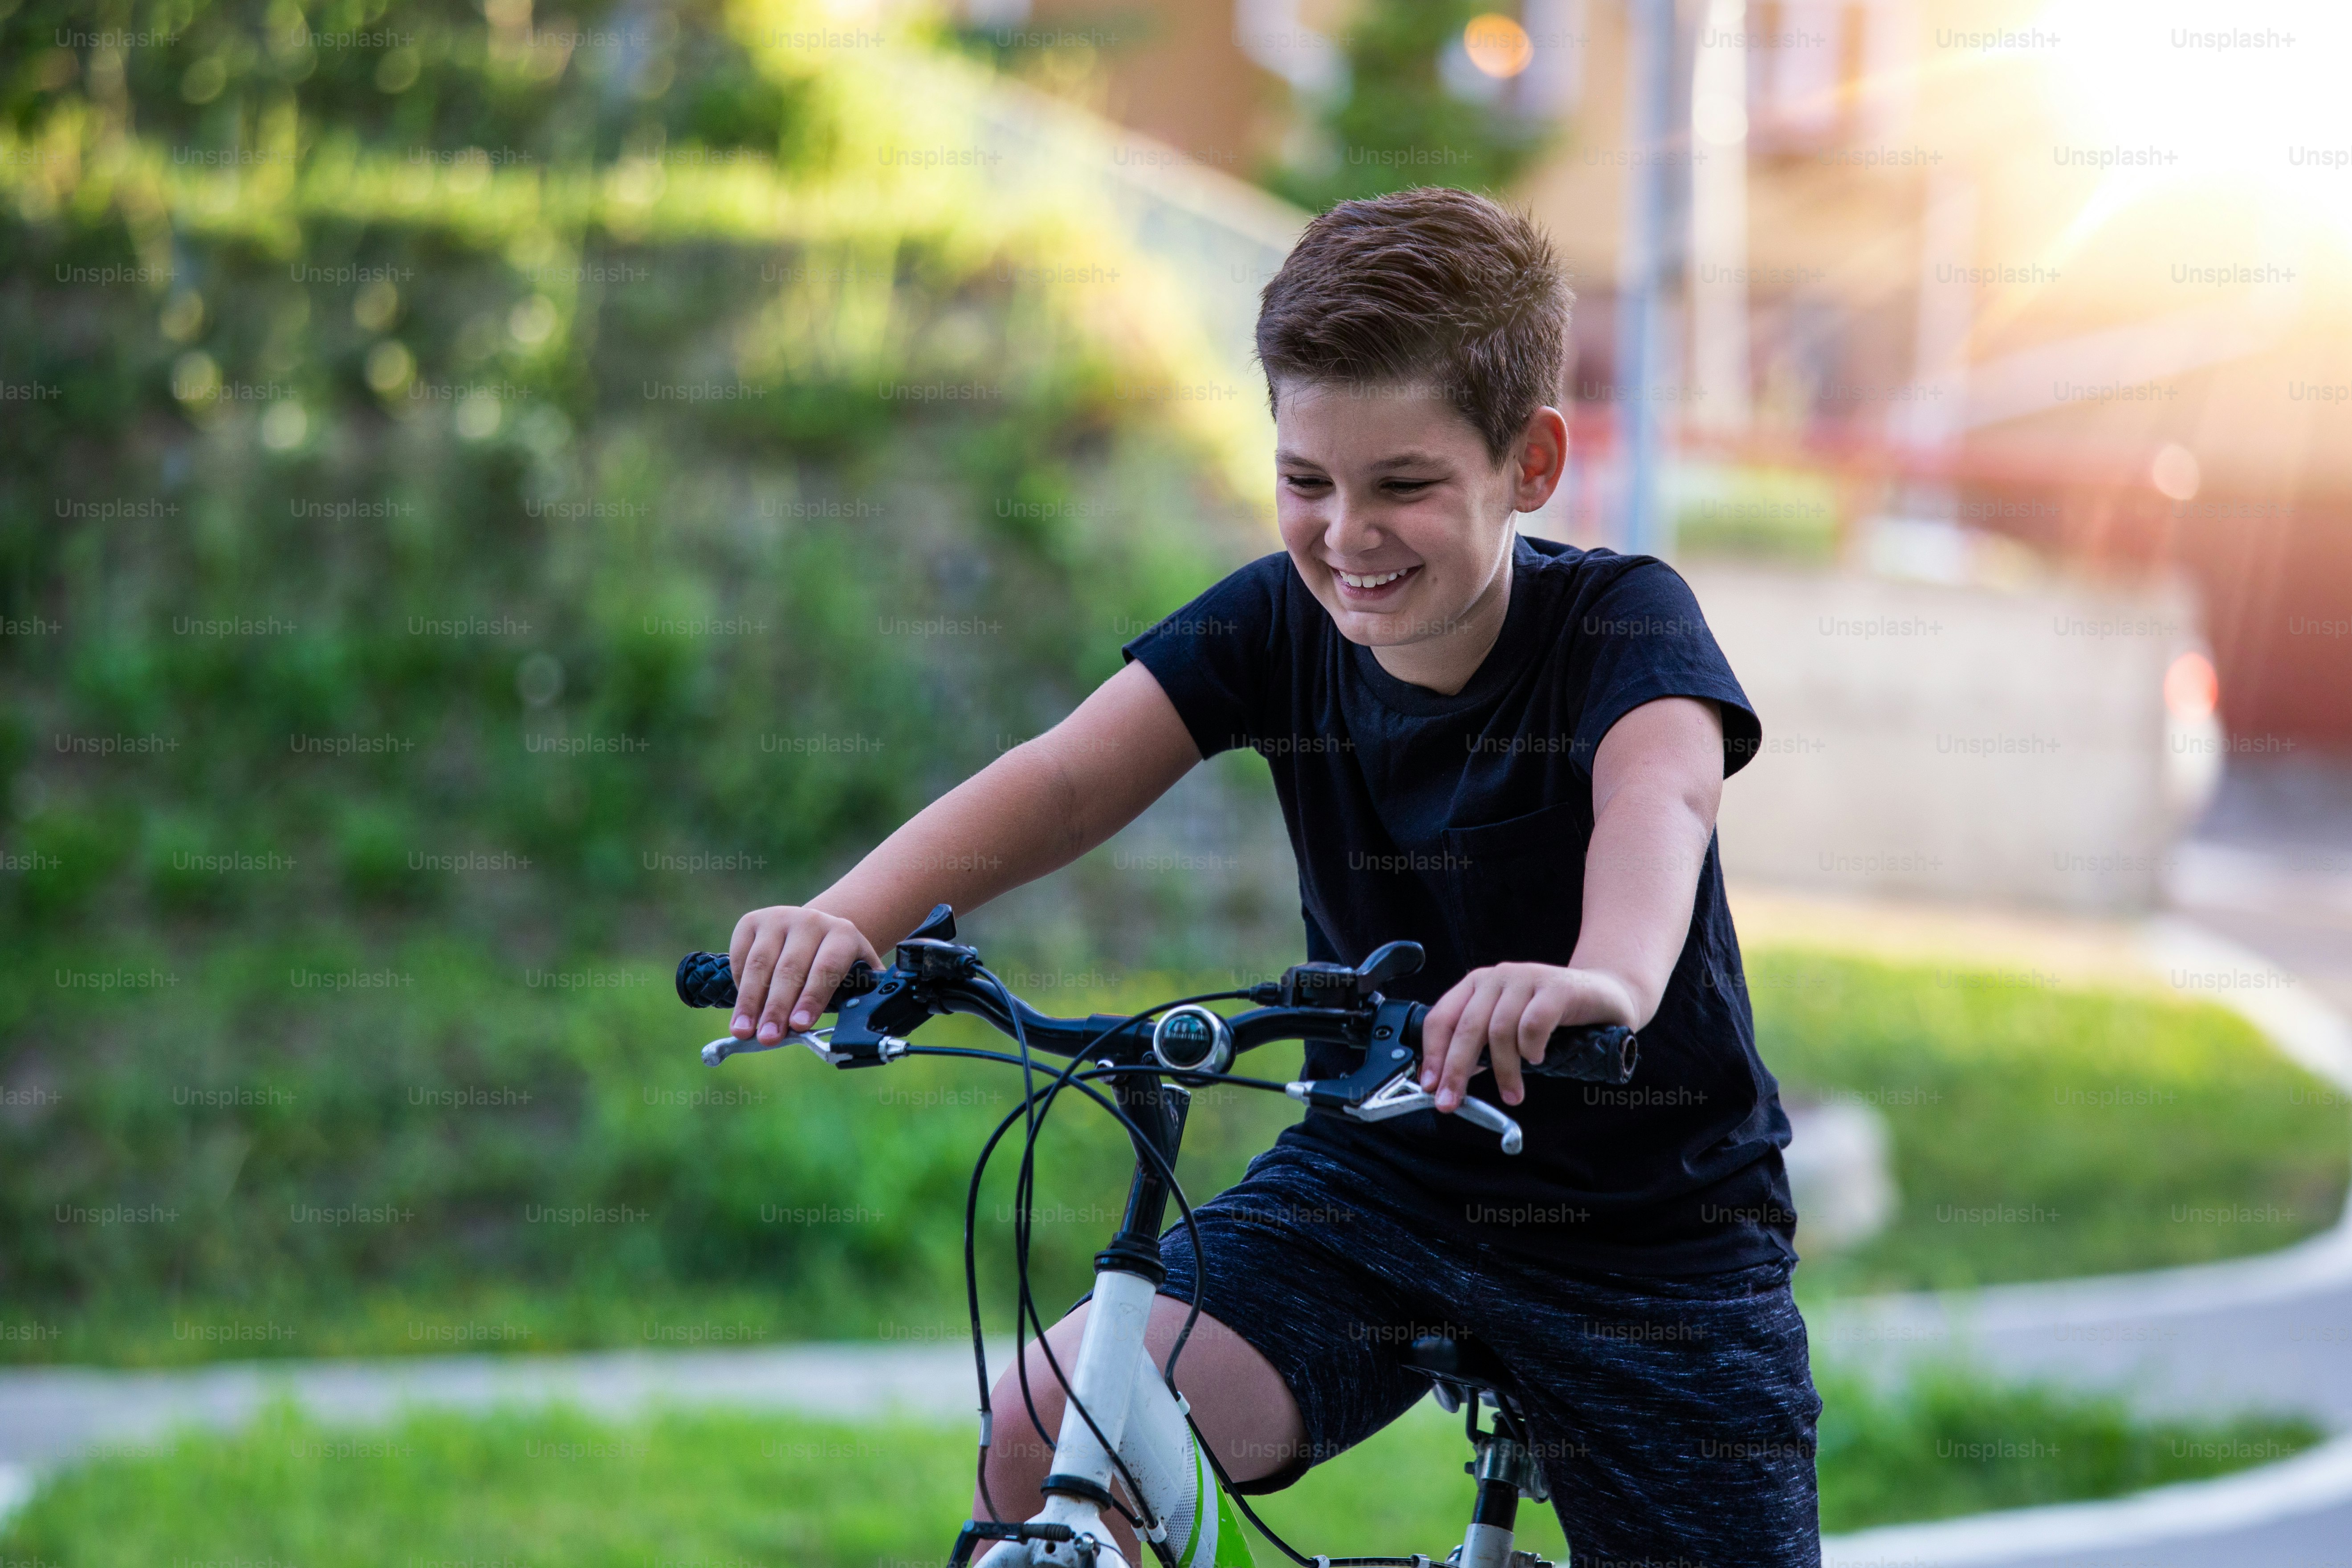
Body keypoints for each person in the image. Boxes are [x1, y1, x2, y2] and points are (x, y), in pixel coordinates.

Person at [724, 186, 1820, 1566]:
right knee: (1054, 1425)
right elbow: (1064, 776)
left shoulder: (1620, 623)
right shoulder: (1275, 619)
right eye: (1306, 480)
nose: (1346, 535)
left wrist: (1599, 976)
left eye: (1403, 485)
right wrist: (848, 919)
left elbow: (1657, 796)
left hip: (1654, 1233)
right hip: (1379, 1183)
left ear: (1529, 462)